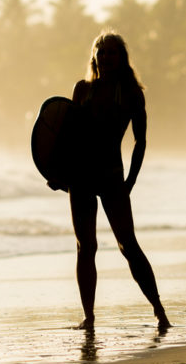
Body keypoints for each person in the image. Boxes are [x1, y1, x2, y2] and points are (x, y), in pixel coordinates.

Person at [55, 31, 170, 330]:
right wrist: (56, 173)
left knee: (128, 244)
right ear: (94, 56)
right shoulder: (82, 90)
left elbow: (140, 141)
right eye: (101, 51)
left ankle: (159, 310)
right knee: (85, 247)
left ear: (122, 58)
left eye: (112, 52)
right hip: (79, 176)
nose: (105, 57)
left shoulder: (131, 93)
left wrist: (130, 181)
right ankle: (89, 317)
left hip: (110, 176)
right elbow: (66, 136)